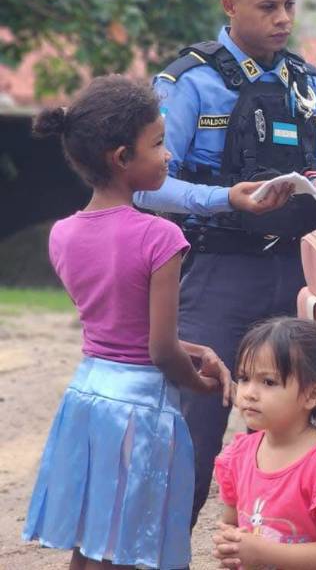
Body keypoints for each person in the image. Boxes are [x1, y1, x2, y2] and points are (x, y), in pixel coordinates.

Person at [134, 0, 316, 524]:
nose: (283, 20)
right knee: (188, 442)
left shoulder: (311, 86)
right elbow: (147, 187)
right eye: (269, 6)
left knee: (303, 441)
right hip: (215, 272)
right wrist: (224, 199)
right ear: (230, 4)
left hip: (296, 274)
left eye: (291, 5)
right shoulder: (188, 83)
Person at [22, 76, 231, 570]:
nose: (168, 155)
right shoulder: (159, 237)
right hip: (140, 411)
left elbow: (118, 329)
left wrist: (193, 350)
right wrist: (198, 385)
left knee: (92, 542)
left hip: (88, 398)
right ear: (121, 157)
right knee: (133, 546)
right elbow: (158, 352)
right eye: (158, 143)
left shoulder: (63, 234)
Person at [211, 317, 316, 570]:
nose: (249, 393)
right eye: (244, 378)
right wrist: (229, 542)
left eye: (268, 382)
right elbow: (232, 522)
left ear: (312, 395)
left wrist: (263, 552)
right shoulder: (239, 455)